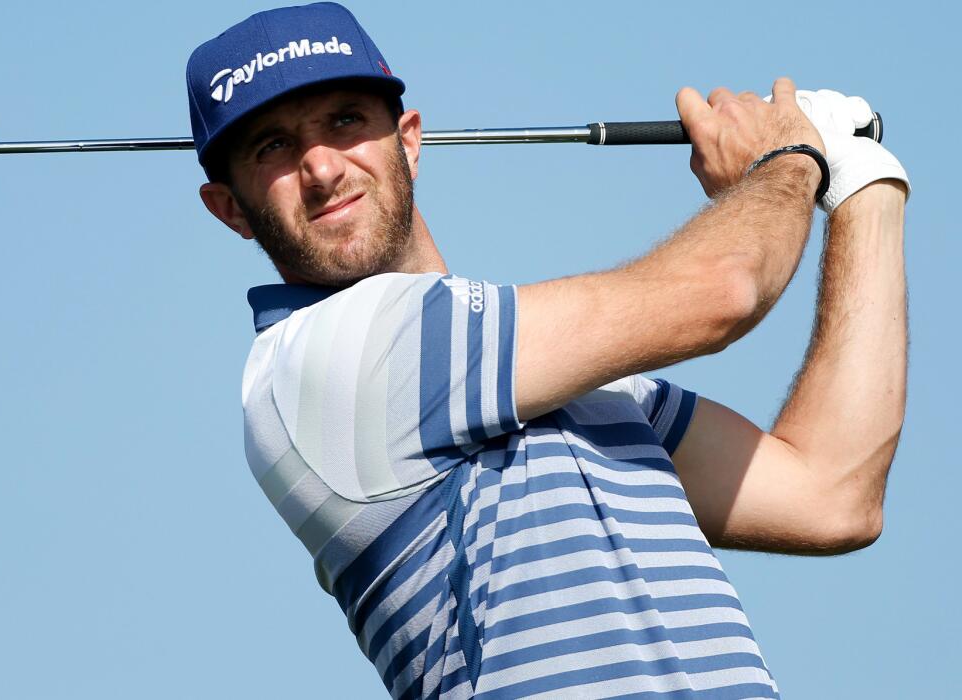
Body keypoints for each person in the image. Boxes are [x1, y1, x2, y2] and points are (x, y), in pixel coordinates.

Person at [186, 3, 909, 697]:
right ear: (229, 209)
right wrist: (788, 158)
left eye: (345, 122)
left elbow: (832, 495)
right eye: (273, 146)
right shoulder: (323, 359)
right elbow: (724, 289)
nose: (321, 167)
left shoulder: (574, 386)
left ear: (408, 139)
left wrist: (864, 182)